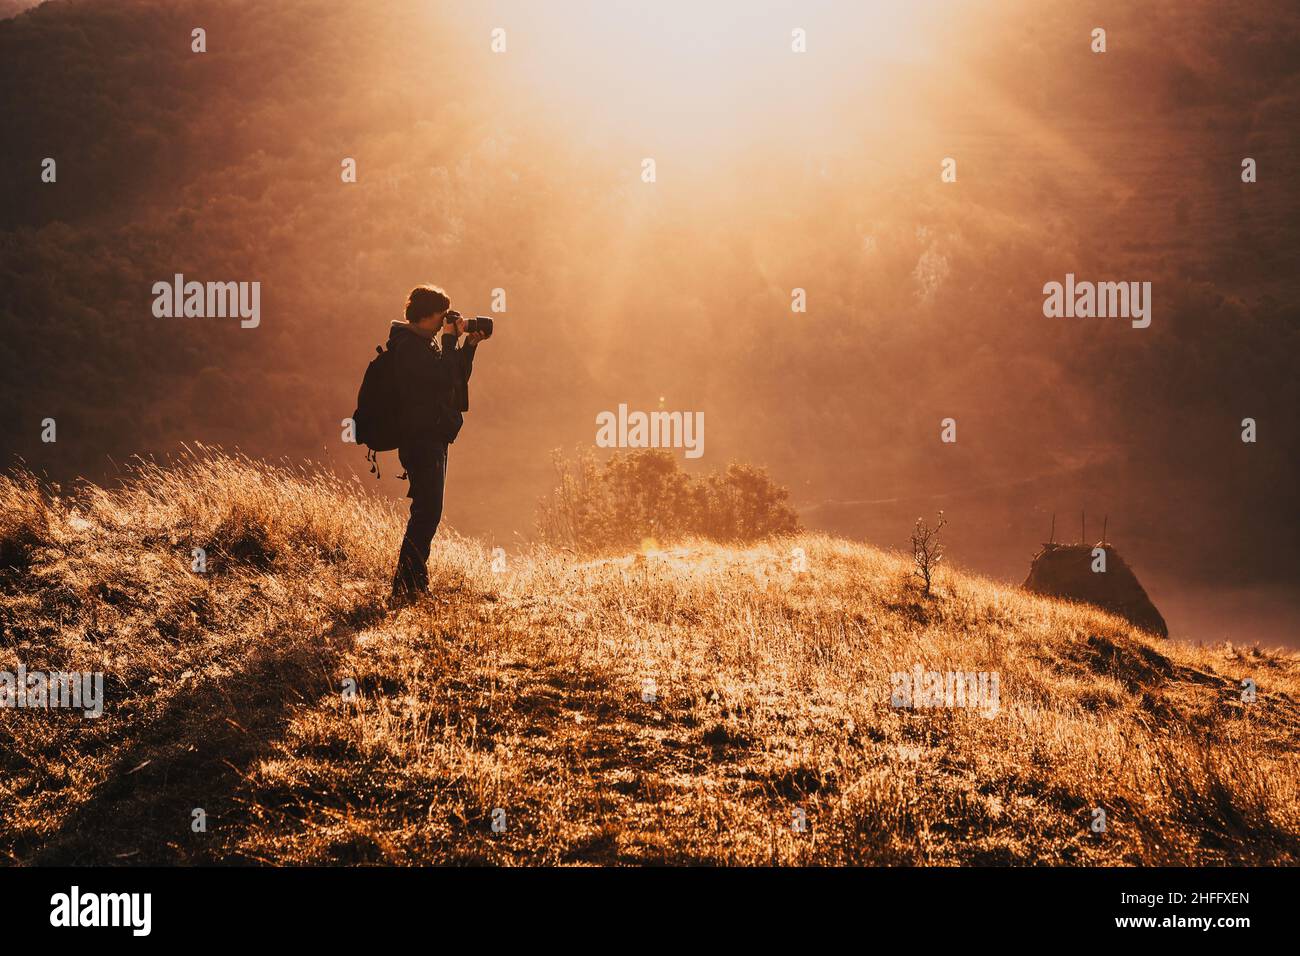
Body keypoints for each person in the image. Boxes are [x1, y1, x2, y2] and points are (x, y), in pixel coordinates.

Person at [387, 284, 488, 601]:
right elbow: (443, 379)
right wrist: (448, 339)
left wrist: (468, 345)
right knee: (427, 512)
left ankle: (411, 585)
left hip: (433, 435)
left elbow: (454, 383)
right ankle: (408, 587)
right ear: (426, 316)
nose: (447, 321)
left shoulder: (424, 344)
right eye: (442, 316)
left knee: (428, 511)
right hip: (421, 439)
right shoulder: (408, 348)